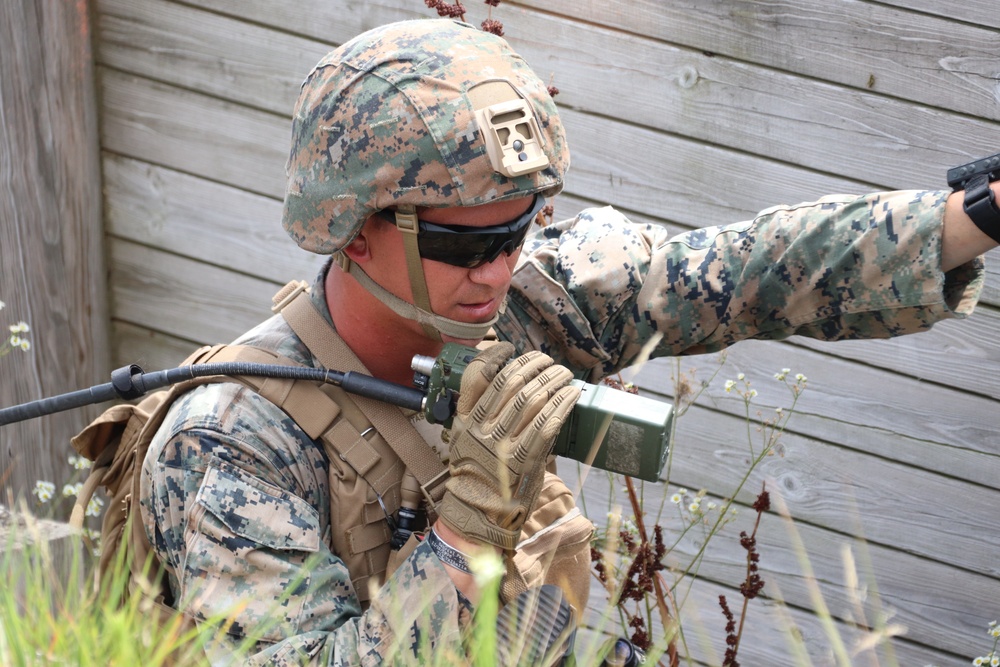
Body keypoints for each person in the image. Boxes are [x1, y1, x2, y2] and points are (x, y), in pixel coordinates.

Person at [136, 17, 995, 666]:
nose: (499, 271)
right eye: (464, 246)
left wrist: (973, 218)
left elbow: (747, 271)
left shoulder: (523, 302)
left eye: (519, 232)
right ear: (352, 231)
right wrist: (467, 534)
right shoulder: (233, 444)